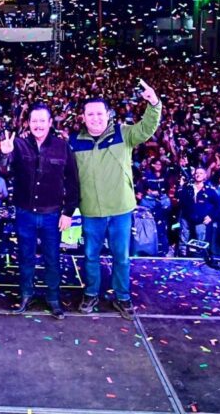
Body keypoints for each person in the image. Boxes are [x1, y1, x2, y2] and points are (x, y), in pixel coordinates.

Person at [69, 81, 161, 320]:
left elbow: (147, 128)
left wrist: (154, 104)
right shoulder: (74, 141)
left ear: (108, 115)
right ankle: (91, 293)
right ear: (83, 117)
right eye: (90, 114)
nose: (95, 118)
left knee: (121, 256)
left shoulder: (124, 133)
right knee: (90, 255)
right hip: (91, 210)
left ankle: (122, 297)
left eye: (100, 113)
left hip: (120, 209)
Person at [0, 102, 79, 320]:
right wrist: (4, 155)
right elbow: (4, 171)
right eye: (34, 121)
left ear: (50, 123)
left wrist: (68, 212)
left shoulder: (62, 147)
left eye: (43, 120)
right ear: (28, 123)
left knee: (52, 258)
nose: (38, 125)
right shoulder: (19, 144)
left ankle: (53, 298)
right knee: (25, 257)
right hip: (25, 213)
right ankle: (26, 294)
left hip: (53, 214)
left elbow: (72, 181)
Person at [178, 167, 220, 249]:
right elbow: (180, 200)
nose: (198, 175)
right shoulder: (187, 187)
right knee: (183, 239)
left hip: (201, 219)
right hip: (186, 217)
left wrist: (211, 216)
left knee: (200, 240)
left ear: (205, 176)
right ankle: (182, 255)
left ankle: (199, 256)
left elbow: (219, 206)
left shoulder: (209, 190)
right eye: (196, 173)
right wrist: (181, 187)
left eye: (201, 173)